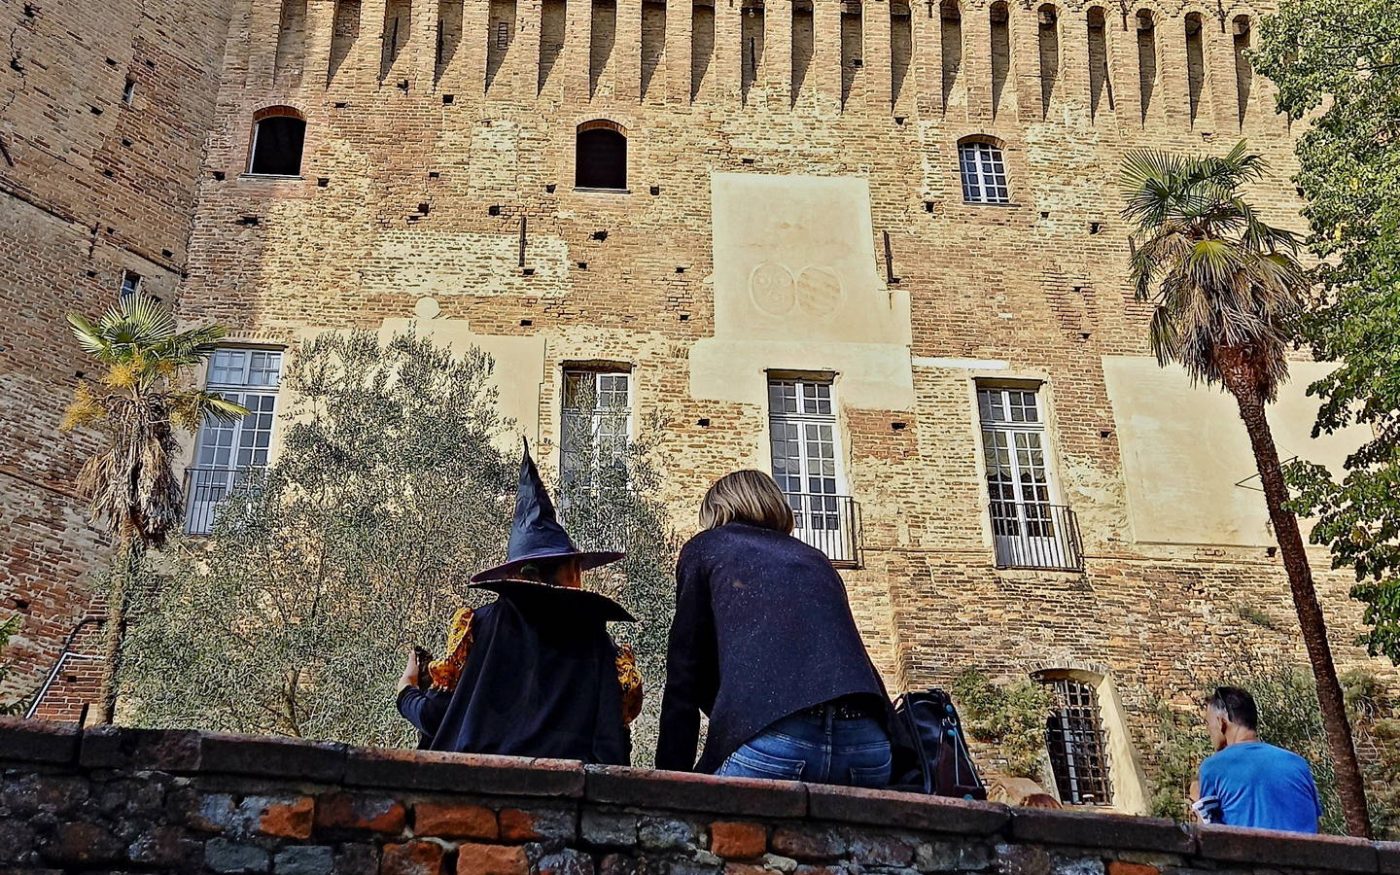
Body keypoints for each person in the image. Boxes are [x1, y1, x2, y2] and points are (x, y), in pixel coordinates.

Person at [396, 439, 643, 764]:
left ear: (515, 574)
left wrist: (405, 691)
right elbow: (612, 745)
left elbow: (438, 717)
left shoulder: (477, 628)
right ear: (570, 571)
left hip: (479, 797)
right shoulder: (596, 641)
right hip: (565, 804)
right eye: (578, 568)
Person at [655, 470, 892, 786]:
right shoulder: (816, 560)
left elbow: (685, 672)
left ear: (716, 511)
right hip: (868, 746)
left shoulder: (707, 547)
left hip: (779, 742)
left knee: (697, 828)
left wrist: (668, 780)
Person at [1194, 686, 1323, 833]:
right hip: (1305, 854)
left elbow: (1207, 834)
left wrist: (1197, 802)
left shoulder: (1214, 767)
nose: (1209, 731)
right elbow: (1315, 825)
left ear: (1221, 722)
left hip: (1248, 855)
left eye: (1209, 724)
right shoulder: (1297, 763)